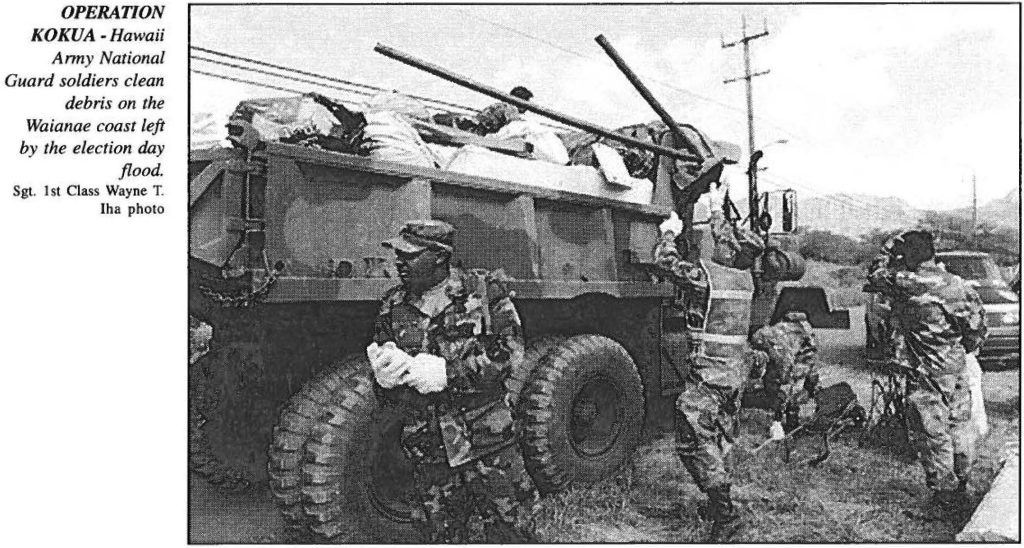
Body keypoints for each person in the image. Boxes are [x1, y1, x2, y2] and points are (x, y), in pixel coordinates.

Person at [367, 220, 538, 543]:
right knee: (441, 535)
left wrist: (447, 374)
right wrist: (383, 380)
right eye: (397, 254)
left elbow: (509, 355)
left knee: (512, 529)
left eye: (409, 255)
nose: (399, 262)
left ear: (438, 257)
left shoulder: (483, 292)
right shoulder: (393, 305)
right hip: (429, 450)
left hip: (486, 443)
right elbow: (387, 366)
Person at [866, 229, 987, 507]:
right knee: (959, 425)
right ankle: (963, 482)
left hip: (925, 371)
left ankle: (944, 497)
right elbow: (978, 329)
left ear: (906, 256)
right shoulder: (958, 284)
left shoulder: (905, 281)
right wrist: (958, 349)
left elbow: (874, 275)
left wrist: (887, 247)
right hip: (955, 367)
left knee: (931, 432)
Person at [655, 211, 748, 540]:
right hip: (733, 372)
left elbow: (667, 263)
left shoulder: (709, 278)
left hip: (711, 373)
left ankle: (725, 511)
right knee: (720, 435)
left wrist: (668, 234)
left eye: (718, 239)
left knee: (692, 439)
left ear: (727, 249)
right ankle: (719, 500)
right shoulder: (744, 279)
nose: (713, 244)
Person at [745, 312, 821, 439]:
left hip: (787, 358)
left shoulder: (798, 341)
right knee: (785, 387)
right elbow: (785, 373)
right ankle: (784, 420)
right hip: (781, 356)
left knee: (788, 388)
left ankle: (787, 420)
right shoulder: (788, 342)